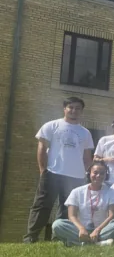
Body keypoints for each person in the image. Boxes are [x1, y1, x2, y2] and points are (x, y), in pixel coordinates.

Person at [25, 97, 94, 243]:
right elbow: (42, 148)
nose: (74, 110)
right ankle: (31, 237)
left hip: (75, 177)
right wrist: (43, 169)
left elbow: (87, 157)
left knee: (67, 208)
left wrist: (84, 174)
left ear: (82, 111)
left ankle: (60, 238)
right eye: (71, 107)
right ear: (65, 109)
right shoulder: (52, 125)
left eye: (78, 108)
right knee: (42, 205)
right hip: (52, 173)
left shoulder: (85, 133)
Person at [51, 161, 114, 246]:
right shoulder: (77, 191)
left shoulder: (112, 192)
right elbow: (72, 216)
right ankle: (99, 243)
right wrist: (82, 229)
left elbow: (111, 215)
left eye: (102, 173)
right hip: (80, 230)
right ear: (89, 173)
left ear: (106, 175)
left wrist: (97, 230)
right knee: (57, 225)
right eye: (95, 173)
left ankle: (79, 243)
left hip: (102, 229)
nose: (98, 176)